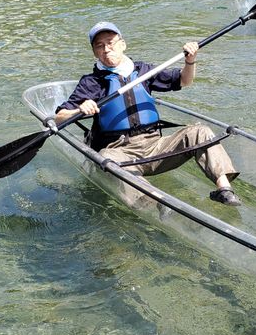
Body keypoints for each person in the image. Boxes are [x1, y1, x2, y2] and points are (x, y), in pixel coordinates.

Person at [54, 22, 242, 206]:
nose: (106, 49)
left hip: (155, 146)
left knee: (199, 131)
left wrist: (190, 60)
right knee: (107, 159)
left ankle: (224, 190)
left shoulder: (144, 71)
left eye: (110, 43)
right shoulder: (91, 82)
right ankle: (156, 204)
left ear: (122, 44)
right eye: (99, 46)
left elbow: (185, 81)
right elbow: (59, 116)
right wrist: (80, 109)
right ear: (95, 52)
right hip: (120, 151)